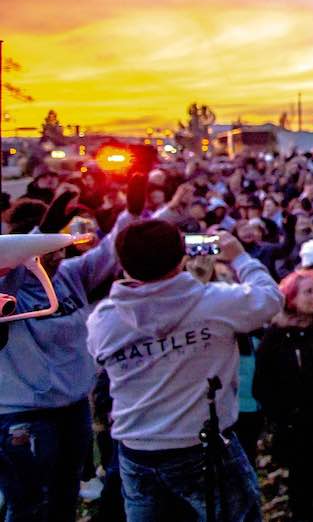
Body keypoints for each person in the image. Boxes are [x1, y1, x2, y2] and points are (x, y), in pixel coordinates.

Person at [87, 222, 283, 521]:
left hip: (137, 451)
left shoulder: (104, 320)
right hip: (204, 449)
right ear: (182, 258)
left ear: (124, 265)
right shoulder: (215, 302)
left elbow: (99, 354)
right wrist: (240, 256)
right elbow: (270, 298)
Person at [0, 184, 136, 522]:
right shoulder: (6, 287)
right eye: (49, 246)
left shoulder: (69, 276)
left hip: (72, 409)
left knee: (65, 497)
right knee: (29, 505)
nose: (59, 253)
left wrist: (131, 212)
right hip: (24, 416)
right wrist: (43, 230)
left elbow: (109, 252)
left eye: (60, 244)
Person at [254, 270, 313, 521]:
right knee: (301, 482)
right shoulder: (277, 335)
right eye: (307, 291)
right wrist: (282, 415)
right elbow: (263, 383)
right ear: (291, 297)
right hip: (295, 425)